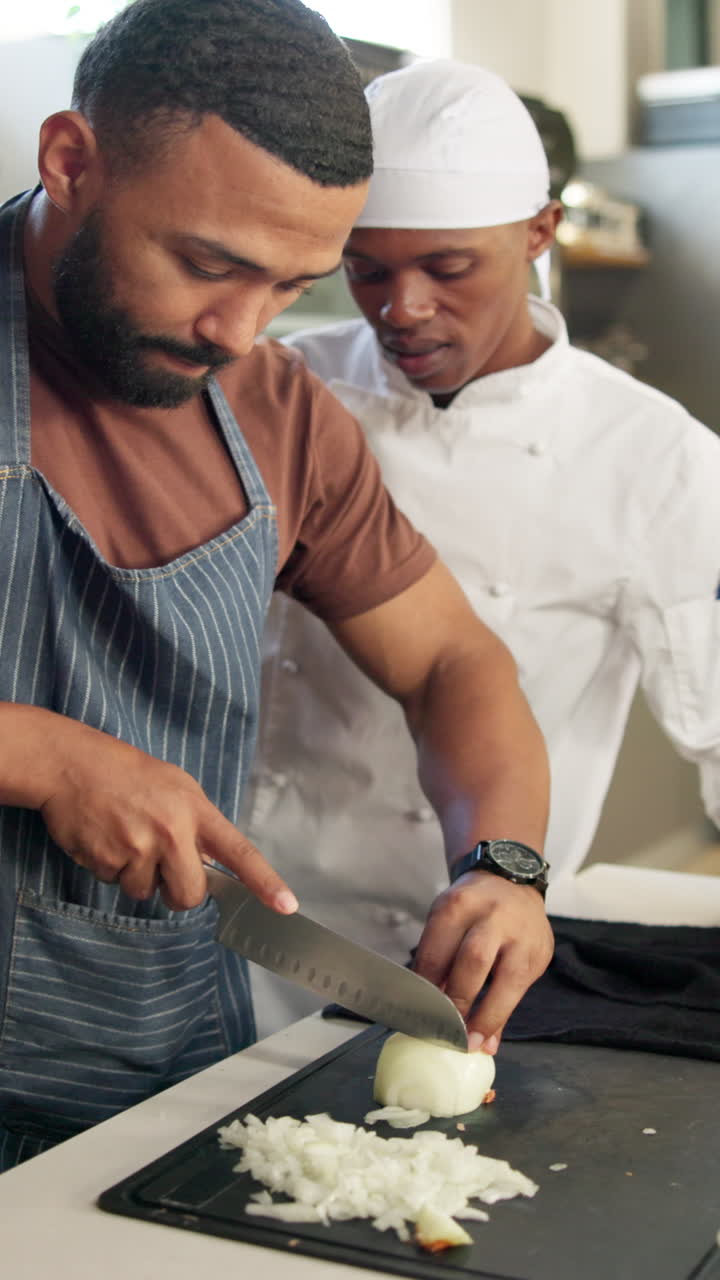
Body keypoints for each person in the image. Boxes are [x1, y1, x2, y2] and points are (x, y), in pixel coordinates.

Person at [0, 8, 554, 1171]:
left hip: (153, 1068)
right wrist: (43, 755)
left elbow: (453, 661)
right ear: (70, 160)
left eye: (293, 286)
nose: (239, 329)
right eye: (209, 264)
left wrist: (504, 865)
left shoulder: (276, 409)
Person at [243, 58, 720, 1038]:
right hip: (246, 929)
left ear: (540, 232)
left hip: (472, 944)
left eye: (448, 268)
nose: (403, 307)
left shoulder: (655, 456)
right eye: (366, 268)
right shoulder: (283, 388)